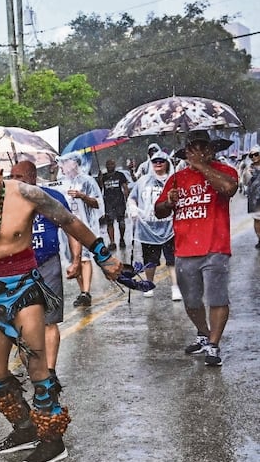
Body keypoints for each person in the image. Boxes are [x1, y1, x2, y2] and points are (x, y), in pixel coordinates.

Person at [0, 151, 121, 462]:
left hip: (25, 290)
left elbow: (69, 221)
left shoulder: (28, 194)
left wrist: (102, 254)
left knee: (36, 365)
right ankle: (25, 427)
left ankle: (53, 440)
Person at [154, 130, 239, 367]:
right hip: (185, 249)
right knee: (191, 301)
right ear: (186, 152)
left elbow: (229, 188)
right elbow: (158, 211)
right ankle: (204, 333)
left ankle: (214, 344)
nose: (197, 152)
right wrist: (168, 202)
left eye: (202, 147)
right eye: (193, 149)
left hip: (215, 247)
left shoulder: (225, 171)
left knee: (217, 297)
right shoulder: (177, 178)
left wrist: (201, 166)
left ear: (211, 150)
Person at [7, 161, 82, 380]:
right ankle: (34, 371)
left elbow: (71, 228)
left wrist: (76, 260)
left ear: (32, 177)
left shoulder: (51, 198)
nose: (15, 181)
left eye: (19, 177)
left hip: (48, 263)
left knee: (49, 320)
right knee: (21, 326)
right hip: (18, 268)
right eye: (12, 176)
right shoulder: (6, 201)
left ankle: (50, 371)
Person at [48, 153, 103, 307]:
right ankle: (82, 290)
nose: (62, 166)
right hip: (67, 228)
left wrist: (82, 196)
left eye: (65, 162)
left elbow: (98, 203)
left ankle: (86, 292)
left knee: (85, 257)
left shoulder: (88, 181)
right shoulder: (62, 183)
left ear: (74, 163)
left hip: (84, 226)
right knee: (74, 259)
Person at [127, 151, 181, 300]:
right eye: (155, 161)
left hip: (169, 226)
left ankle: (175, 287)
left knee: (172, 259)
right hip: (148, 227)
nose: (158, 163)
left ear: (167, 163)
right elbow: (132, 198)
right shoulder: (143, 181)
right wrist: (133, 208)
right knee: (150, 260)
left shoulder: (173, 180)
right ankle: (149, 284)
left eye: (161, 161)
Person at [98, 159, 130, 251]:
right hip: (108, 202)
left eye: (112, 164)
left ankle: (122, 238)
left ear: (115, 165)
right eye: (108, 164)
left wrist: (127, 199)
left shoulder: (120, 175)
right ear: (106, 166)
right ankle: (112, 242)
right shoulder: (104, 176)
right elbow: (100, 188)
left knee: (121, 222)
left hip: (119, 201)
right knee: (109, 222)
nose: (110, 166)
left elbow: (125, 187)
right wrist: (100, 179)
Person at [241, 145, 260, 249]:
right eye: (251, 155)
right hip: (255, 199)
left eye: (256, 154)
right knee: (257, 220)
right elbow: (245, 182)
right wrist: (247, 173)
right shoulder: (249, 169)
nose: (254, 157)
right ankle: (259, 239)